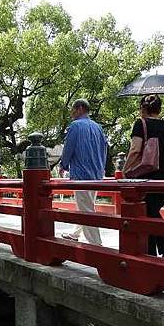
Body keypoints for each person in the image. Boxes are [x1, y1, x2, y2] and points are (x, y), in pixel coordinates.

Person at [124, 94, 164, 258]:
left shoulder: (140, 124)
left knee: (148, 212)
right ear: (159, 109)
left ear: (143, 108)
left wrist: (125, 171)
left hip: (147, 177)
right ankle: (154, 252)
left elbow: (135, 150)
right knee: (150, 212)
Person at [59, 99, 107, 245]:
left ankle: (96, 245)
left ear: (80, 108)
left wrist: (63, 165)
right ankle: (75, 233)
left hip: (81, 174)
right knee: (87, 204)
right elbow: (104, 149)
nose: (72, 113)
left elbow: (69, 148)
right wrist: (101, 168)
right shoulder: (98, 127)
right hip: (97, 174)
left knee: (86, 209)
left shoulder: (75, 126)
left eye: (73, 109)